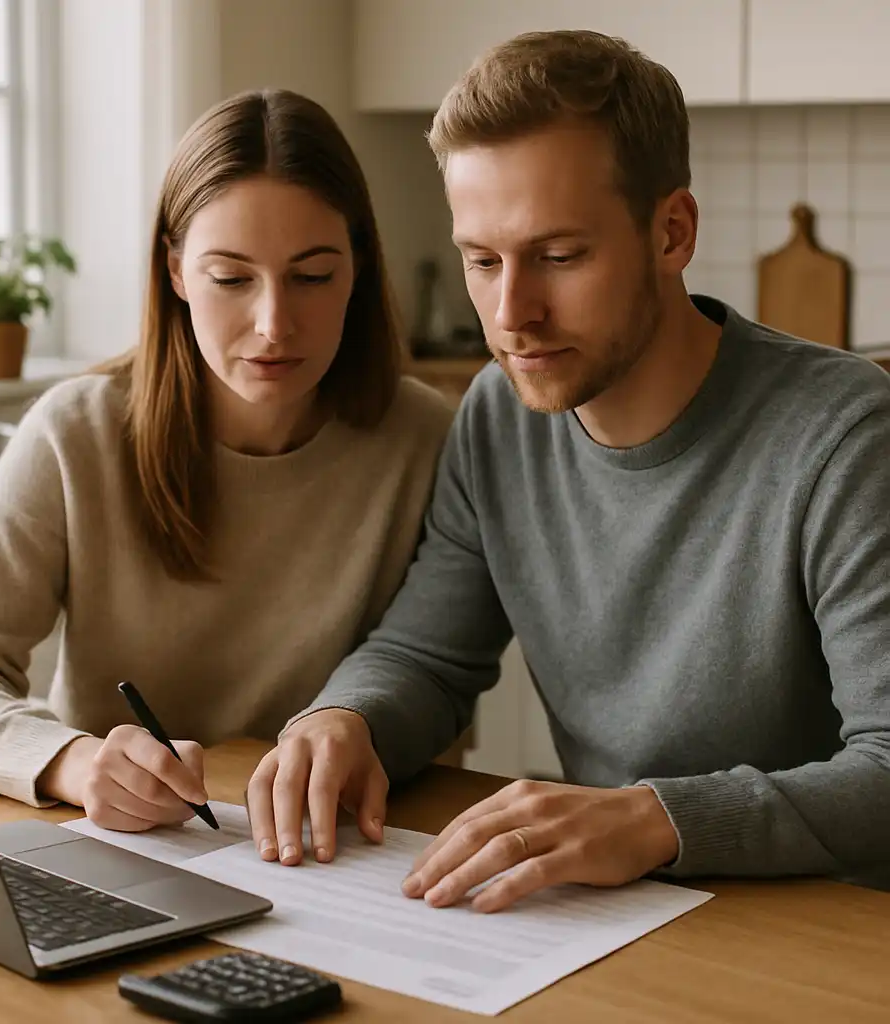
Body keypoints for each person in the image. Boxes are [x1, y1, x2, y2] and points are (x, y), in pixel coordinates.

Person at [246, 30, 890, 904]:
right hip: (618, 913)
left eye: (558, 257)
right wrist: (342, 718)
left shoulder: (844, 435)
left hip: (827, 927)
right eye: (482, 261)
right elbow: (428, 654)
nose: (513, 313)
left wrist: (654, 819)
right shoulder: (498, 414)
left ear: (672, 231)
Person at [0, 89, 453, 832]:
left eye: (312, 276)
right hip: (126, 845)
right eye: (230, 278)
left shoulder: (426, 436)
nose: (272, 324)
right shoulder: (78, 432)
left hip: (338, 851)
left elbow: (438, 676)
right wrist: (73, 761)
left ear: (357, 267)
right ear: (175, 271)